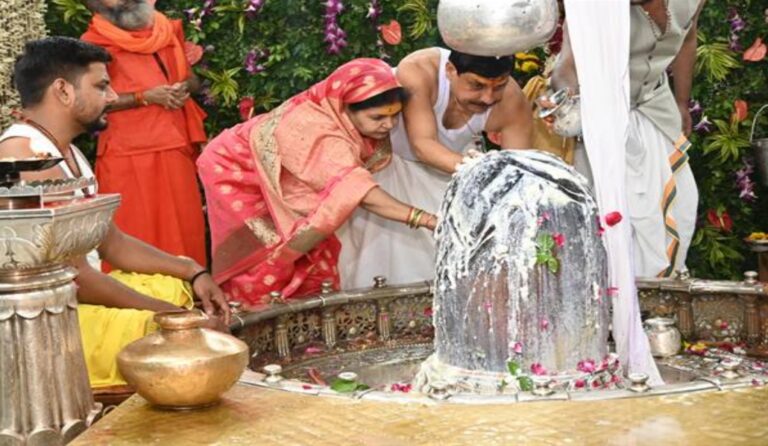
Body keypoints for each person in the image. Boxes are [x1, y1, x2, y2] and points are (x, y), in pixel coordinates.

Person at [0, 37, 229, 389]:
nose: (111, 97)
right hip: (41, 322)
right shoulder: (25, 158)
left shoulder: (67, 152)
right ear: (63, 90)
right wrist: (177, 318)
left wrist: (192, 269)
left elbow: (113, 244)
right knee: (171, 337)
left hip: (74, 299)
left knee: (172, 286)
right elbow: (77, 278)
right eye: (102, 85)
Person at [197, 58, 437, 307]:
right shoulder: (317, 130)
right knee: (266, 252)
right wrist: (426, 220)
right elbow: (358, 192)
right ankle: (251, 319)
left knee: (315, 239)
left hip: (281, 174)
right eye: (377, 117)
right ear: (344, 109)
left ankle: (307, 325)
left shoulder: (339, 117)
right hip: (235, 170)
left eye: (394, 116)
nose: (389, 125)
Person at [339, 48, 533, 289]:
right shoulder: (419, 70)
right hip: (387, 173)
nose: (487, 98)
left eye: (499, 86)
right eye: (476, 85)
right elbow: (423, 145)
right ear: (450, 70)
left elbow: (519, 170)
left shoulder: (512, 101)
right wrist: (480, 169)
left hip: (450, 177)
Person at [548, 0, 705, 278]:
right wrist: (566, 106)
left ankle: (661, 297)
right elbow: (566, 68)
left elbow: (688, 37)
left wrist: (682, 101)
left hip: (656, 109)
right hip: (604, 123)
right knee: (620, 218)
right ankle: (623, 305)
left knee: (681, 204)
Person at [80, 0, 208, 268]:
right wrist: (145, 97)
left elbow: (193, 79)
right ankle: (139, 305)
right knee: (135, 231)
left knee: (184, 230)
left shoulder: (165, 30)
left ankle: (191, 300)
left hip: (174, 145)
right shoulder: (91, 43)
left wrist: (182, 87)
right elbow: (90, 101)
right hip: (126, 153)